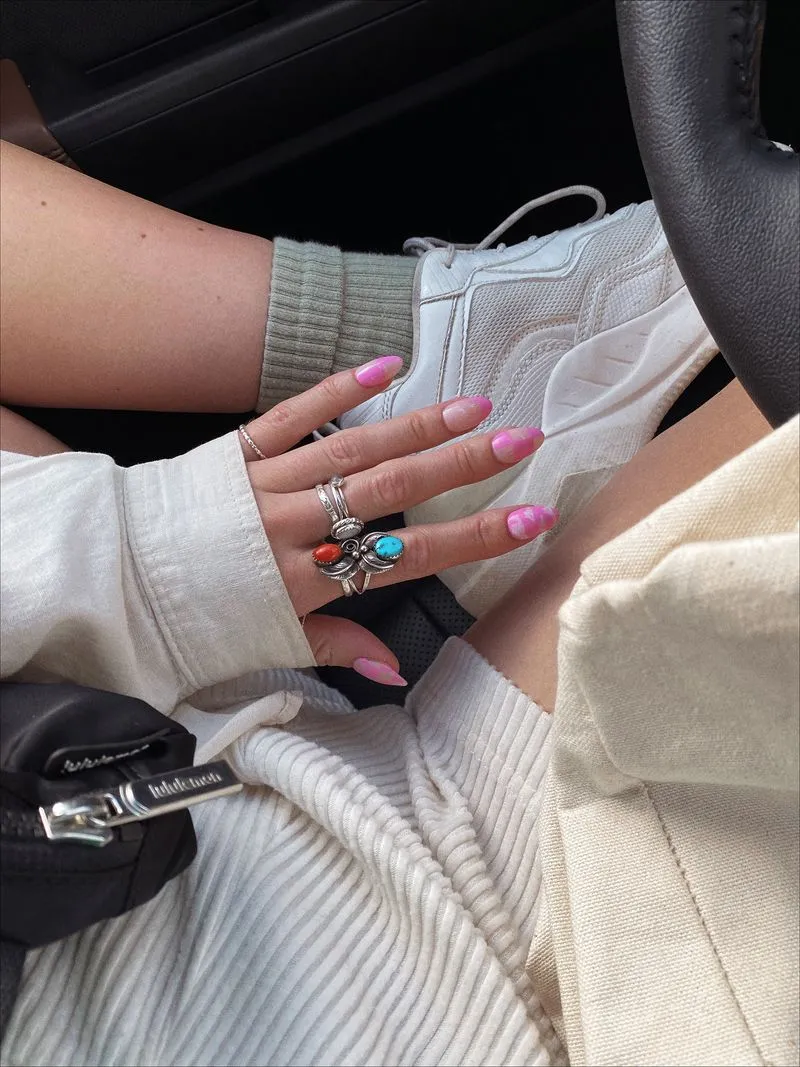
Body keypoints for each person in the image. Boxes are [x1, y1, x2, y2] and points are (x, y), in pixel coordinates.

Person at [0, 140, 797, 1066]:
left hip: (119, 739)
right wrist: (151, 570)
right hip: (446, 932)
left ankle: (433, 338)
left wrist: (152, 559)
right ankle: (436, 351)